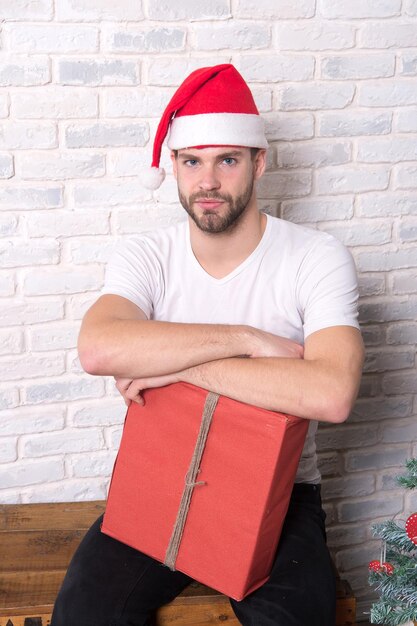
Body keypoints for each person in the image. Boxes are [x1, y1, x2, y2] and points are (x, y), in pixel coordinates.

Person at [51, 64, 364, 626]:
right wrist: (245, 342)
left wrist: (177, 366)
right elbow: (99, 349)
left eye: (228, 159)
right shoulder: (146, 255)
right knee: (83, 614)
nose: (209, 181)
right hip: (162, 474)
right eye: (192, 161)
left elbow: (331, 392)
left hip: (281, 494)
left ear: (258, 163)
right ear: (173, 166)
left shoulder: (316, 256)